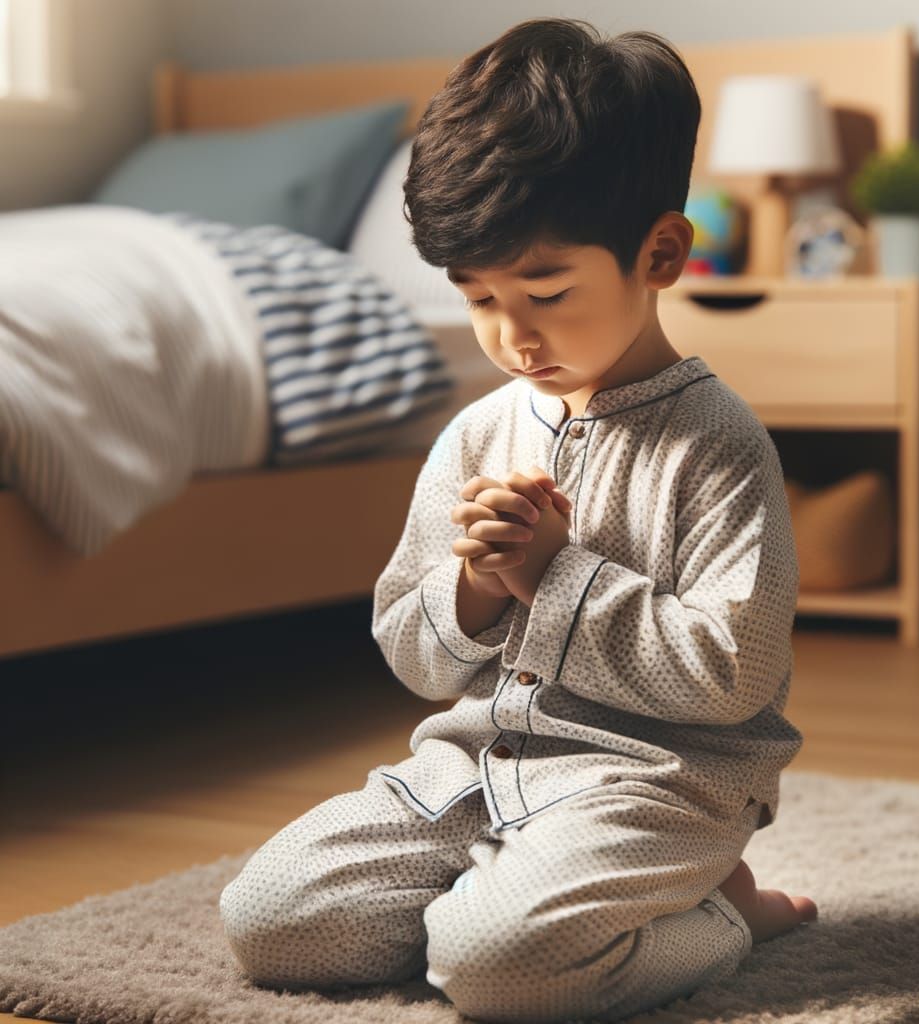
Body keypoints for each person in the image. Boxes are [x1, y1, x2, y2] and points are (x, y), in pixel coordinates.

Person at [218, 17, 817, 1022]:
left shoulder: (718, 445)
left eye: (544, 290)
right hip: (469, 776)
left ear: (660, 252)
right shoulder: (476, 434)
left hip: (656, 789)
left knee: (500, 971)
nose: (511, 336)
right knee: (270, 921)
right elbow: (414, 654)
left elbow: (733, 674)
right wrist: (471, 587)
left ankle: (721, 913)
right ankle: (501, 905)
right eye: (478, 296)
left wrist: (555, 573)